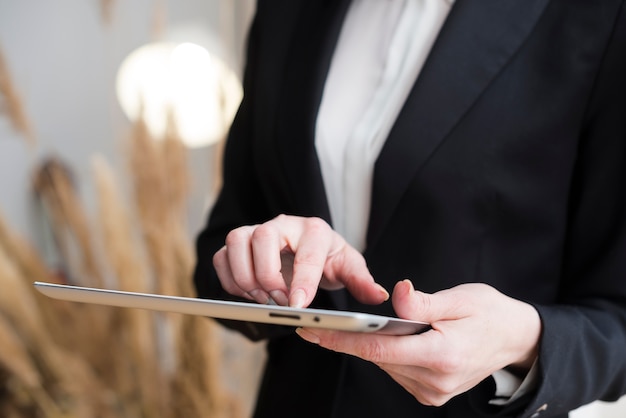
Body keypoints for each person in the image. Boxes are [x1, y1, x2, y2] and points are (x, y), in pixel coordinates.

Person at [193, 0, 626, 417]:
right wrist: (262, 269)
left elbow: (617, 321)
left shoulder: (602, 17)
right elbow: (222, 243)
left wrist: (523, 340)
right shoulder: (287, 8)